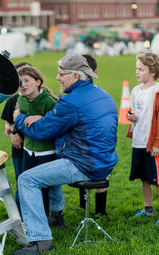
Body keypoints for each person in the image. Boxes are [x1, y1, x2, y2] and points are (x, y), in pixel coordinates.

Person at [12, 54, 118, 254]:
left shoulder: (71, 102)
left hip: (85, 165)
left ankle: (40, 240)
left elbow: (42, 131)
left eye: (62, 74)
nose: (58, 78)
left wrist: (19, 119)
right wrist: (45, 119)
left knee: (26, 179)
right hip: (105, 162)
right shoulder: (103, 94)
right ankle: (55, 214)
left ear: (76, 77)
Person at [127, 53, 159, 226]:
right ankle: (148, 209)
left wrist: (158, 143)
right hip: (139, 141)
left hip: (153, 144)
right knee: (144, 177)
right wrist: (131, 116)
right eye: (136, 68)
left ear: (152, 72)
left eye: (141, 69)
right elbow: (134, 113)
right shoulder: (136, 90)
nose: (137, 72)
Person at [15, 66, 58, 218]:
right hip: (28, 150)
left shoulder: (49, 101)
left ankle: (45, 218)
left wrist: (42, 118)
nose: (23, 85)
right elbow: (18, 121)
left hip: (46, 152)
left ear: (38, 82)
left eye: (27, 81)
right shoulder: (21, 100)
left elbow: (57, 122)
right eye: (20, 82)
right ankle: (26, 219)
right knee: (26, 184)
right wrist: (15, 130)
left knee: (43, 187)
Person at [76, 54, 108, 217]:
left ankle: (101, 211)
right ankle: (84, 205)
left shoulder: (99, 94)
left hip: (98, 142)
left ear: (94, 72)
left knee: (100, 173)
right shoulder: (74, 95)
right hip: (81, 141)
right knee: (82, 168)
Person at [1, 62, 32, 209]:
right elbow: (8, 122)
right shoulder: (12, 101)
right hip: (18, 148)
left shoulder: (37, 98)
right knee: (20, 177)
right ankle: (19, 210)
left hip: (35, 147)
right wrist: (13, 132)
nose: (23, 84)